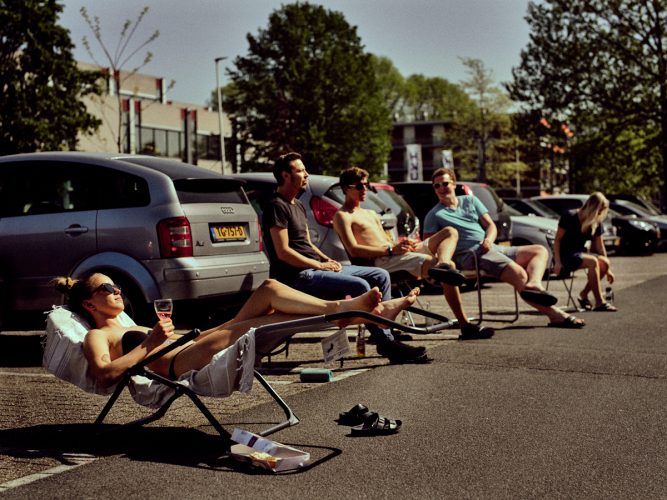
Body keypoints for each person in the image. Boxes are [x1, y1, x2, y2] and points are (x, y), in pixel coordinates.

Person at [51, 273, 421, 387]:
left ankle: (347, 310)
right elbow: (103, 376)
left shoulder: (131, 323)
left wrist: (153, 336)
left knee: (270, 290)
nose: (117, 291)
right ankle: (355, 313)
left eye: (116, 286)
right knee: (266, 320)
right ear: (89, 304)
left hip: (196, 343)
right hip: (184, 362)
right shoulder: (97, 336)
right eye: (107, 289)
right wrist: (148, 344)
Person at [261, 152, 427, 363]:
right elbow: (283, 252)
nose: (306, 174)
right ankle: (387, 344)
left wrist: (329, 260)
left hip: (315, 267)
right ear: (285, 175)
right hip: (298, 276)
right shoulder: (276, 206)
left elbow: (307, 244)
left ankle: (387, 336)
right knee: (359, 285)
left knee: (380, 275)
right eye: (300, 170)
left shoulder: (298, 204)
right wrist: (320, 265)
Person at [333, 166, 493, 340]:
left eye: (366, 185)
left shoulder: (370, 213)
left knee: (450, 231)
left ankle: (442, 264)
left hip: (394, 253)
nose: (364, 189)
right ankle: (465, 326)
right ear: (345, 189)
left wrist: (401, 244)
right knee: (450, 270)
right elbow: (353, 250)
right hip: (381, 260)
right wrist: (390, 249)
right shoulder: (342, 216)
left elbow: (385, 239)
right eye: (359, 186)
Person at [424, 167, 586, 329]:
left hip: (491, 247)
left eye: (445, 183)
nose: (441, 188)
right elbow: (429, 245)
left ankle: (534, 284)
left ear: (454, 184)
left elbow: (491, 226)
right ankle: (556, 315)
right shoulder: (434, 215)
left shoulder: (470, 201)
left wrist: (488, 239)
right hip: (472, 256)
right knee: (519, 274)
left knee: (539, 250)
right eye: (436, 186)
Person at [552, 192, 617, 312]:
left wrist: (608, 270)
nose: (600, 214)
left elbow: (600, 247)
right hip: (564, 256)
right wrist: (557, 262)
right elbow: (557, 241)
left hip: (579, 255)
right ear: (593, 208)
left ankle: (583, 295)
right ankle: (599, 302)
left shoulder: (596, 222)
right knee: (593, 261)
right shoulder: (569, 215)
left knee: (604, 262)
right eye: (599, 210)